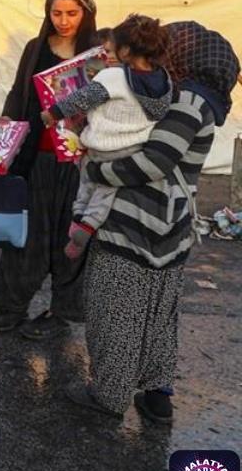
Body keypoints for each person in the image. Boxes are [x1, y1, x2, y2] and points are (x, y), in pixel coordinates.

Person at [65, 21, 238, 421]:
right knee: (159, 315)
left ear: (186, 56)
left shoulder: (189, 102)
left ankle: (108, 394)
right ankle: (157, 396)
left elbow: (154, 161)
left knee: (117, 310)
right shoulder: (191, 98)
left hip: (136, 223)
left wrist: (95, 171)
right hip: (170, 228)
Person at [0, 0, 98, 339]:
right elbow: (20, 92)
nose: (64, 20)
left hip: (81, 164)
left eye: (72, 13)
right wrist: (9, 121)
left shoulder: (98, 54)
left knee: (71, 239)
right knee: (27, 236)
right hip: (38, 159)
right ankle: (12, 308)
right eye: (56, 12)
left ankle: (62, 312)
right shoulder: (37, 48)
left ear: (87, 12)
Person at [41, 15, 173, 260]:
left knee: (87, 183)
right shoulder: (164, 80)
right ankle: (87, 225)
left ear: (125, 50)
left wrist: (53, 113)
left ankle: (80, 220)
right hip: (132, 151)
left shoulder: (114, 77)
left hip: (100, 148)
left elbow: (82, 98)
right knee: (106, 192)